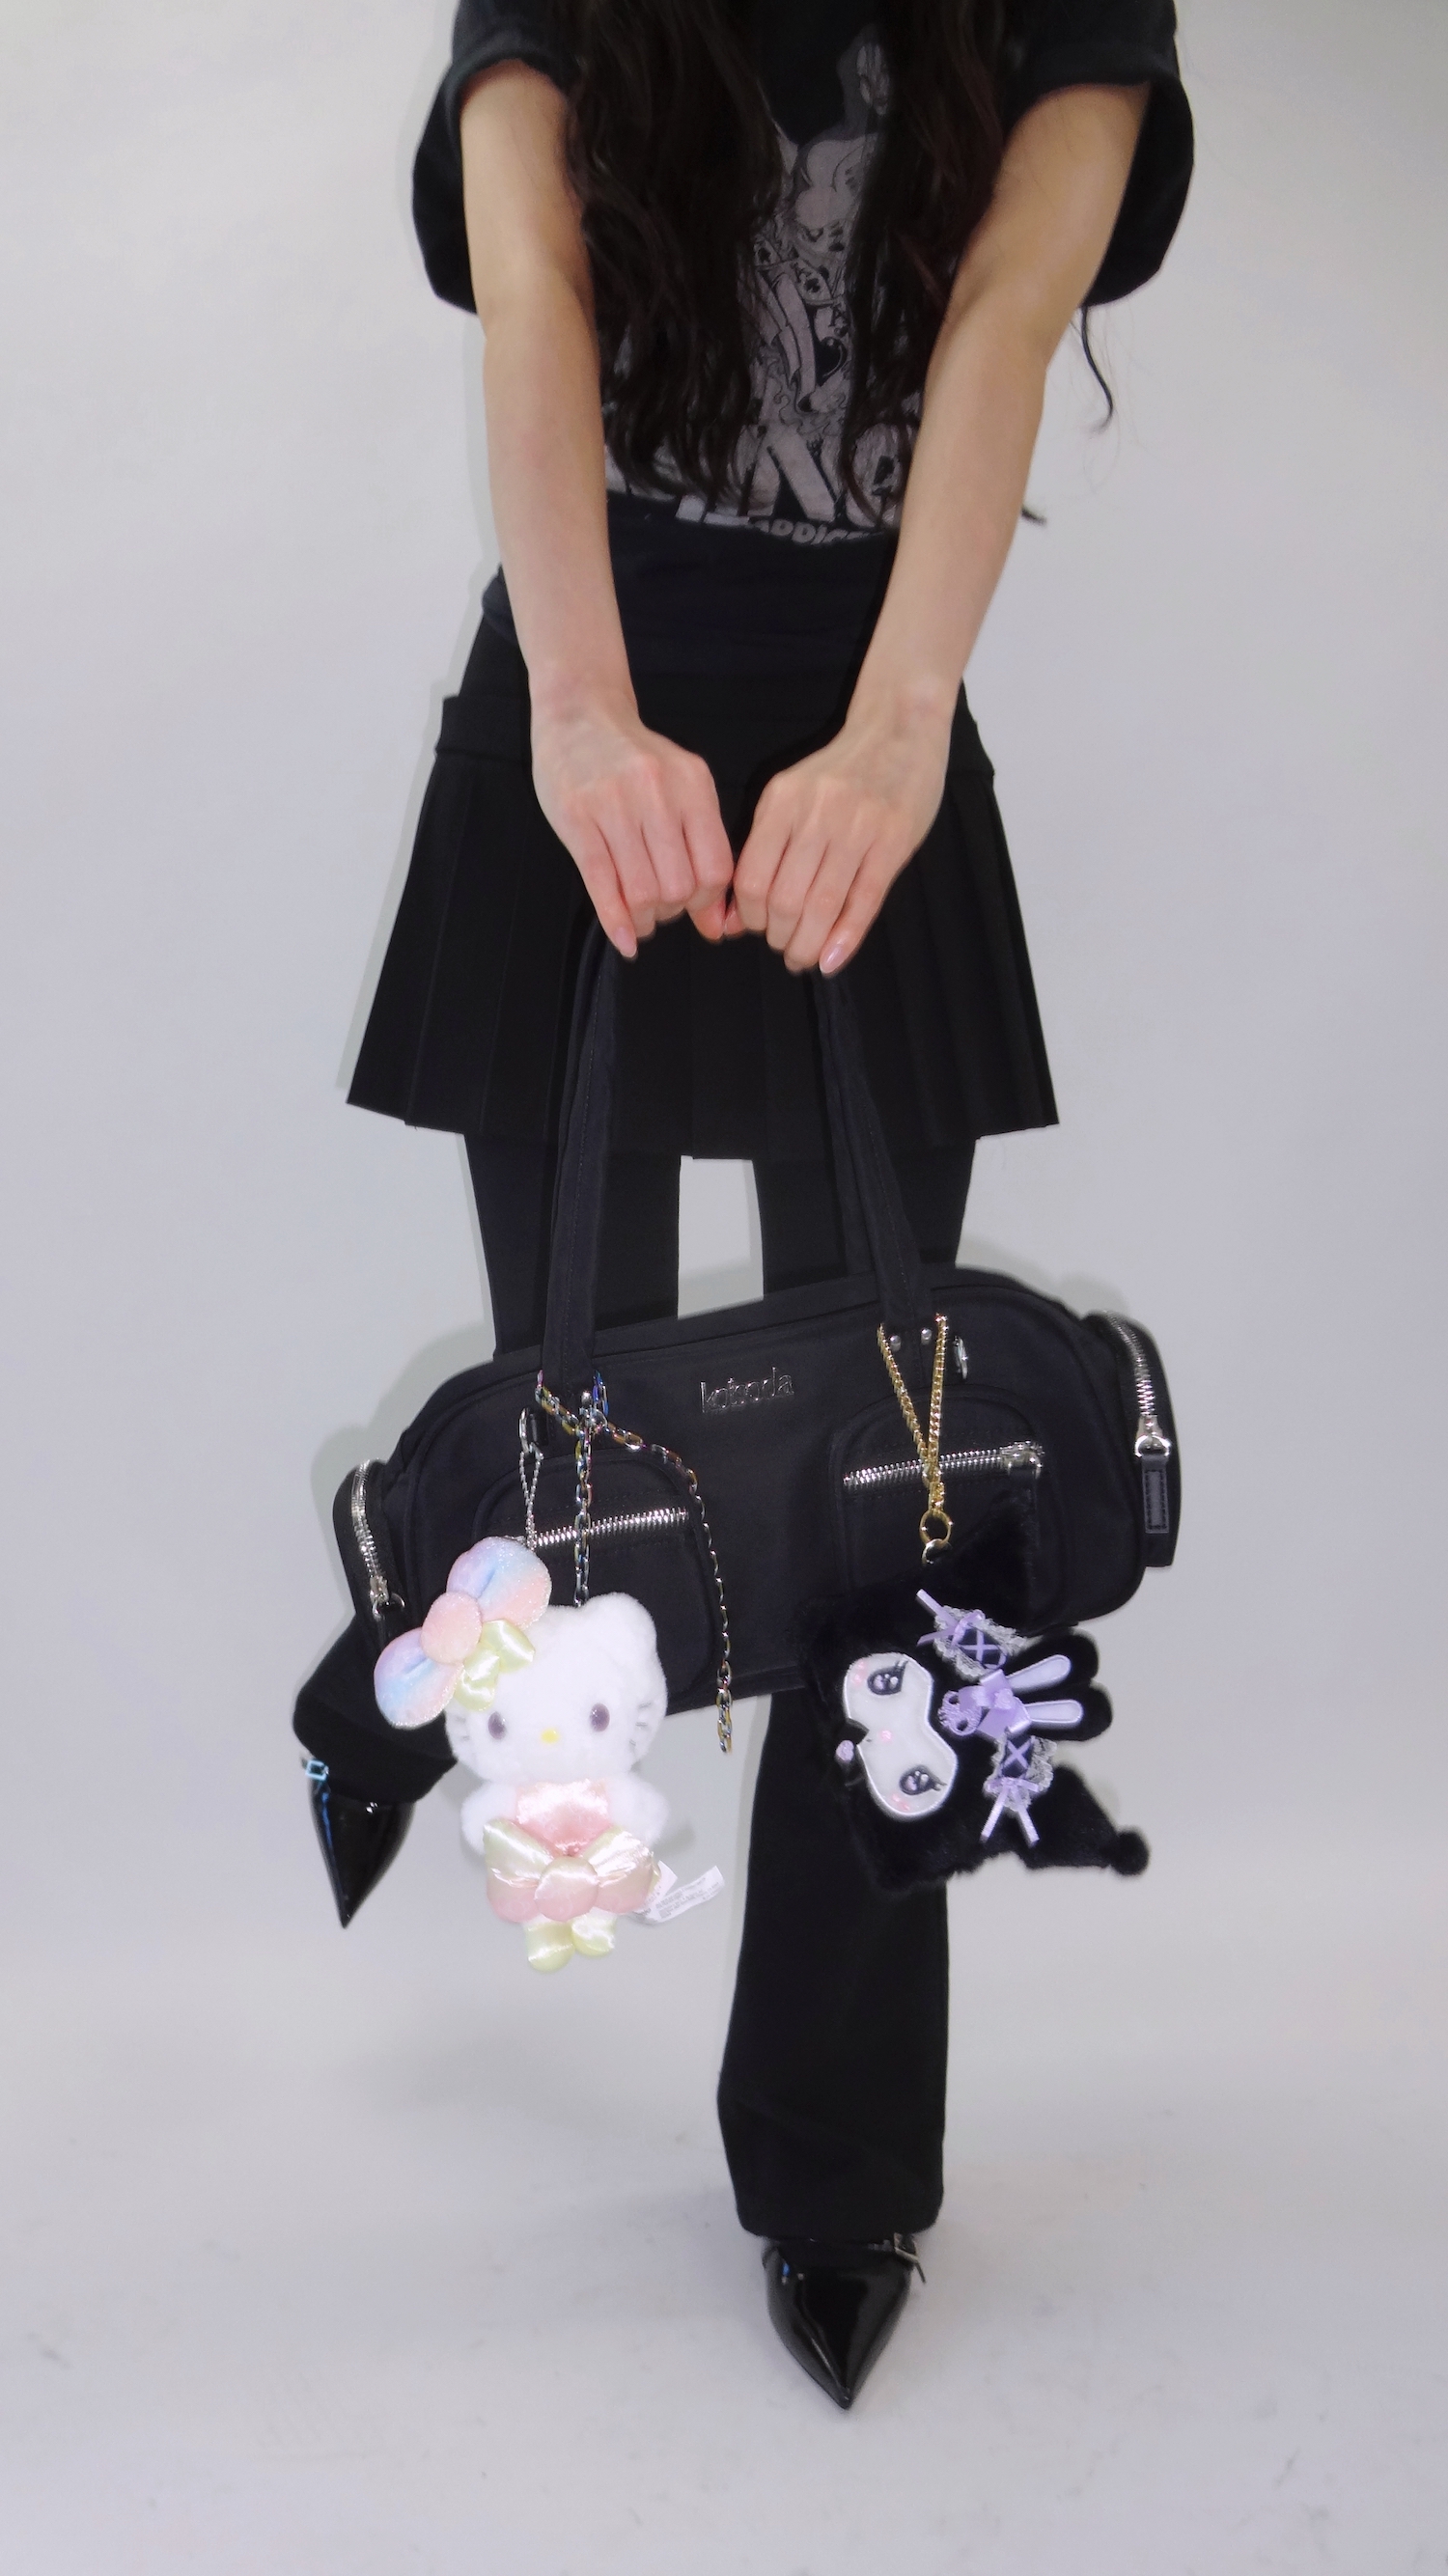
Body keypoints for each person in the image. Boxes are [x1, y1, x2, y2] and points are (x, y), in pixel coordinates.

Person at [329, 0, 1192, 2406]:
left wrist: (898, 729)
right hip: (576, 715)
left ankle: (837, 2164)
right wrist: (574, 712)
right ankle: (521, 1822)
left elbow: (1006, 302)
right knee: (577, 1486)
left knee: (895, 1509)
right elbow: (533, 281)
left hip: (872, 727)